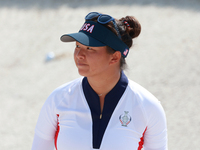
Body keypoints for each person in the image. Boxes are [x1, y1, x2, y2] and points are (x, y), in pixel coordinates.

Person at [31, 12, 168, 150]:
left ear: (114, 57)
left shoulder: (148, 107)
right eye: (77, 46)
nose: (79, 55)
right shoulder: (58, 99)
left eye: (90, 48)